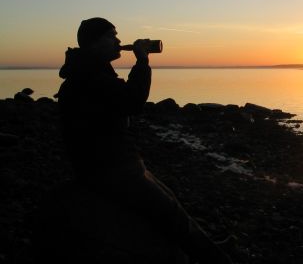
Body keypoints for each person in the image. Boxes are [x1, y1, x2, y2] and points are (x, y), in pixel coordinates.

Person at [57, 17, 232, 263]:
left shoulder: (89, 71)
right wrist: (142, 61)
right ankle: (213, 257)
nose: (118, 41)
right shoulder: (89, 77)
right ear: (94, 43)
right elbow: (133, 101)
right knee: (169, 212)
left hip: (120, 164)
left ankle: (199, 244)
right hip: (112, 169)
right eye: (112, 36)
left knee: (171, 204)